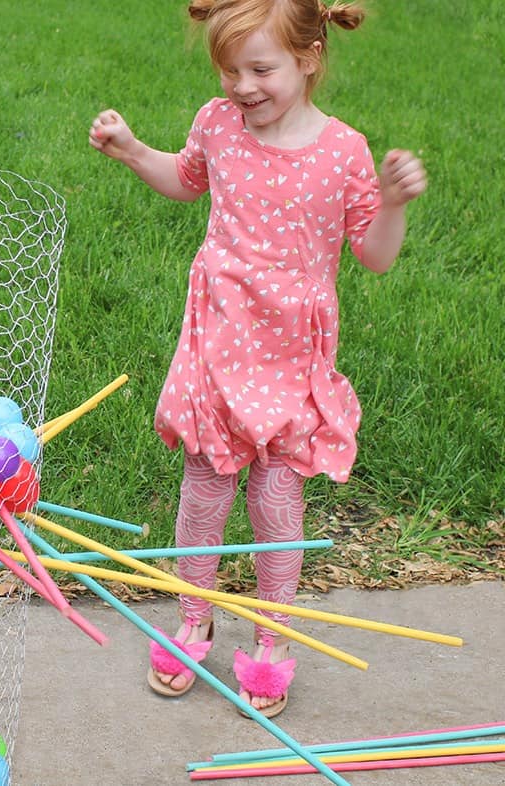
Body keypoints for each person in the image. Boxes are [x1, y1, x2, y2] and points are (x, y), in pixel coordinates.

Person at [89, 0, 426, 718]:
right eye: (230, 69)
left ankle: (272, 633)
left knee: (276, 502)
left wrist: (392, 202)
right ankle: (194, 614)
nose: (243, 85)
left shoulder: (344, 152)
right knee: (204, 492)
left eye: (261, 69)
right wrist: (131, 150)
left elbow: (374, 254)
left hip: (290, 354)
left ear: (308, 59)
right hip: (216, 341)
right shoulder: (217, 124)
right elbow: (185, 179)